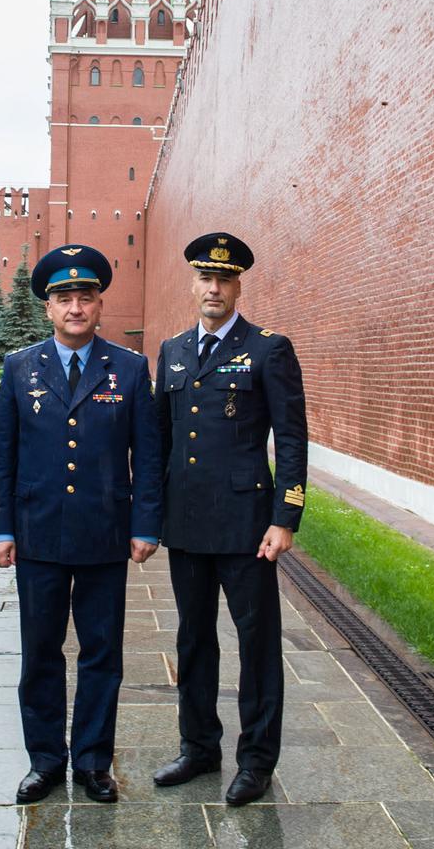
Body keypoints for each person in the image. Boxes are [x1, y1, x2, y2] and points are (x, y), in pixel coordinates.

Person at [0, 244, 162, 804]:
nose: (75, 306)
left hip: (105, 533)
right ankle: (44, 760)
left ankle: (91, 760)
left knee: (101, 651)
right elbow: (1, 455)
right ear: (48, 308)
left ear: (99, 304)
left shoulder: (130, 368)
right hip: (37, 533)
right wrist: (0, 528)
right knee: (39, 650)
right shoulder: (19, 368)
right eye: (64, 297)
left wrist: (146, 525)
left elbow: (149, 454)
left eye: (85, 296)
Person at [151, 232, 308, 807]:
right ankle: (199, 747)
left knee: (256, 643)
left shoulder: (269, 348)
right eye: (204, 278)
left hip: (247, 525)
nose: (213, 288)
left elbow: (292, 439)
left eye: (224, 279)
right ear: (193, 285)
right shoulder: (171, 351)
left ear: (238, 285)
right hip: (188, 524)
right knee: (193, 640)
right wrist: (151, 514)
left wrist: (285, 515)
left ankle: (257, 760)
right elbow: (161, 441)